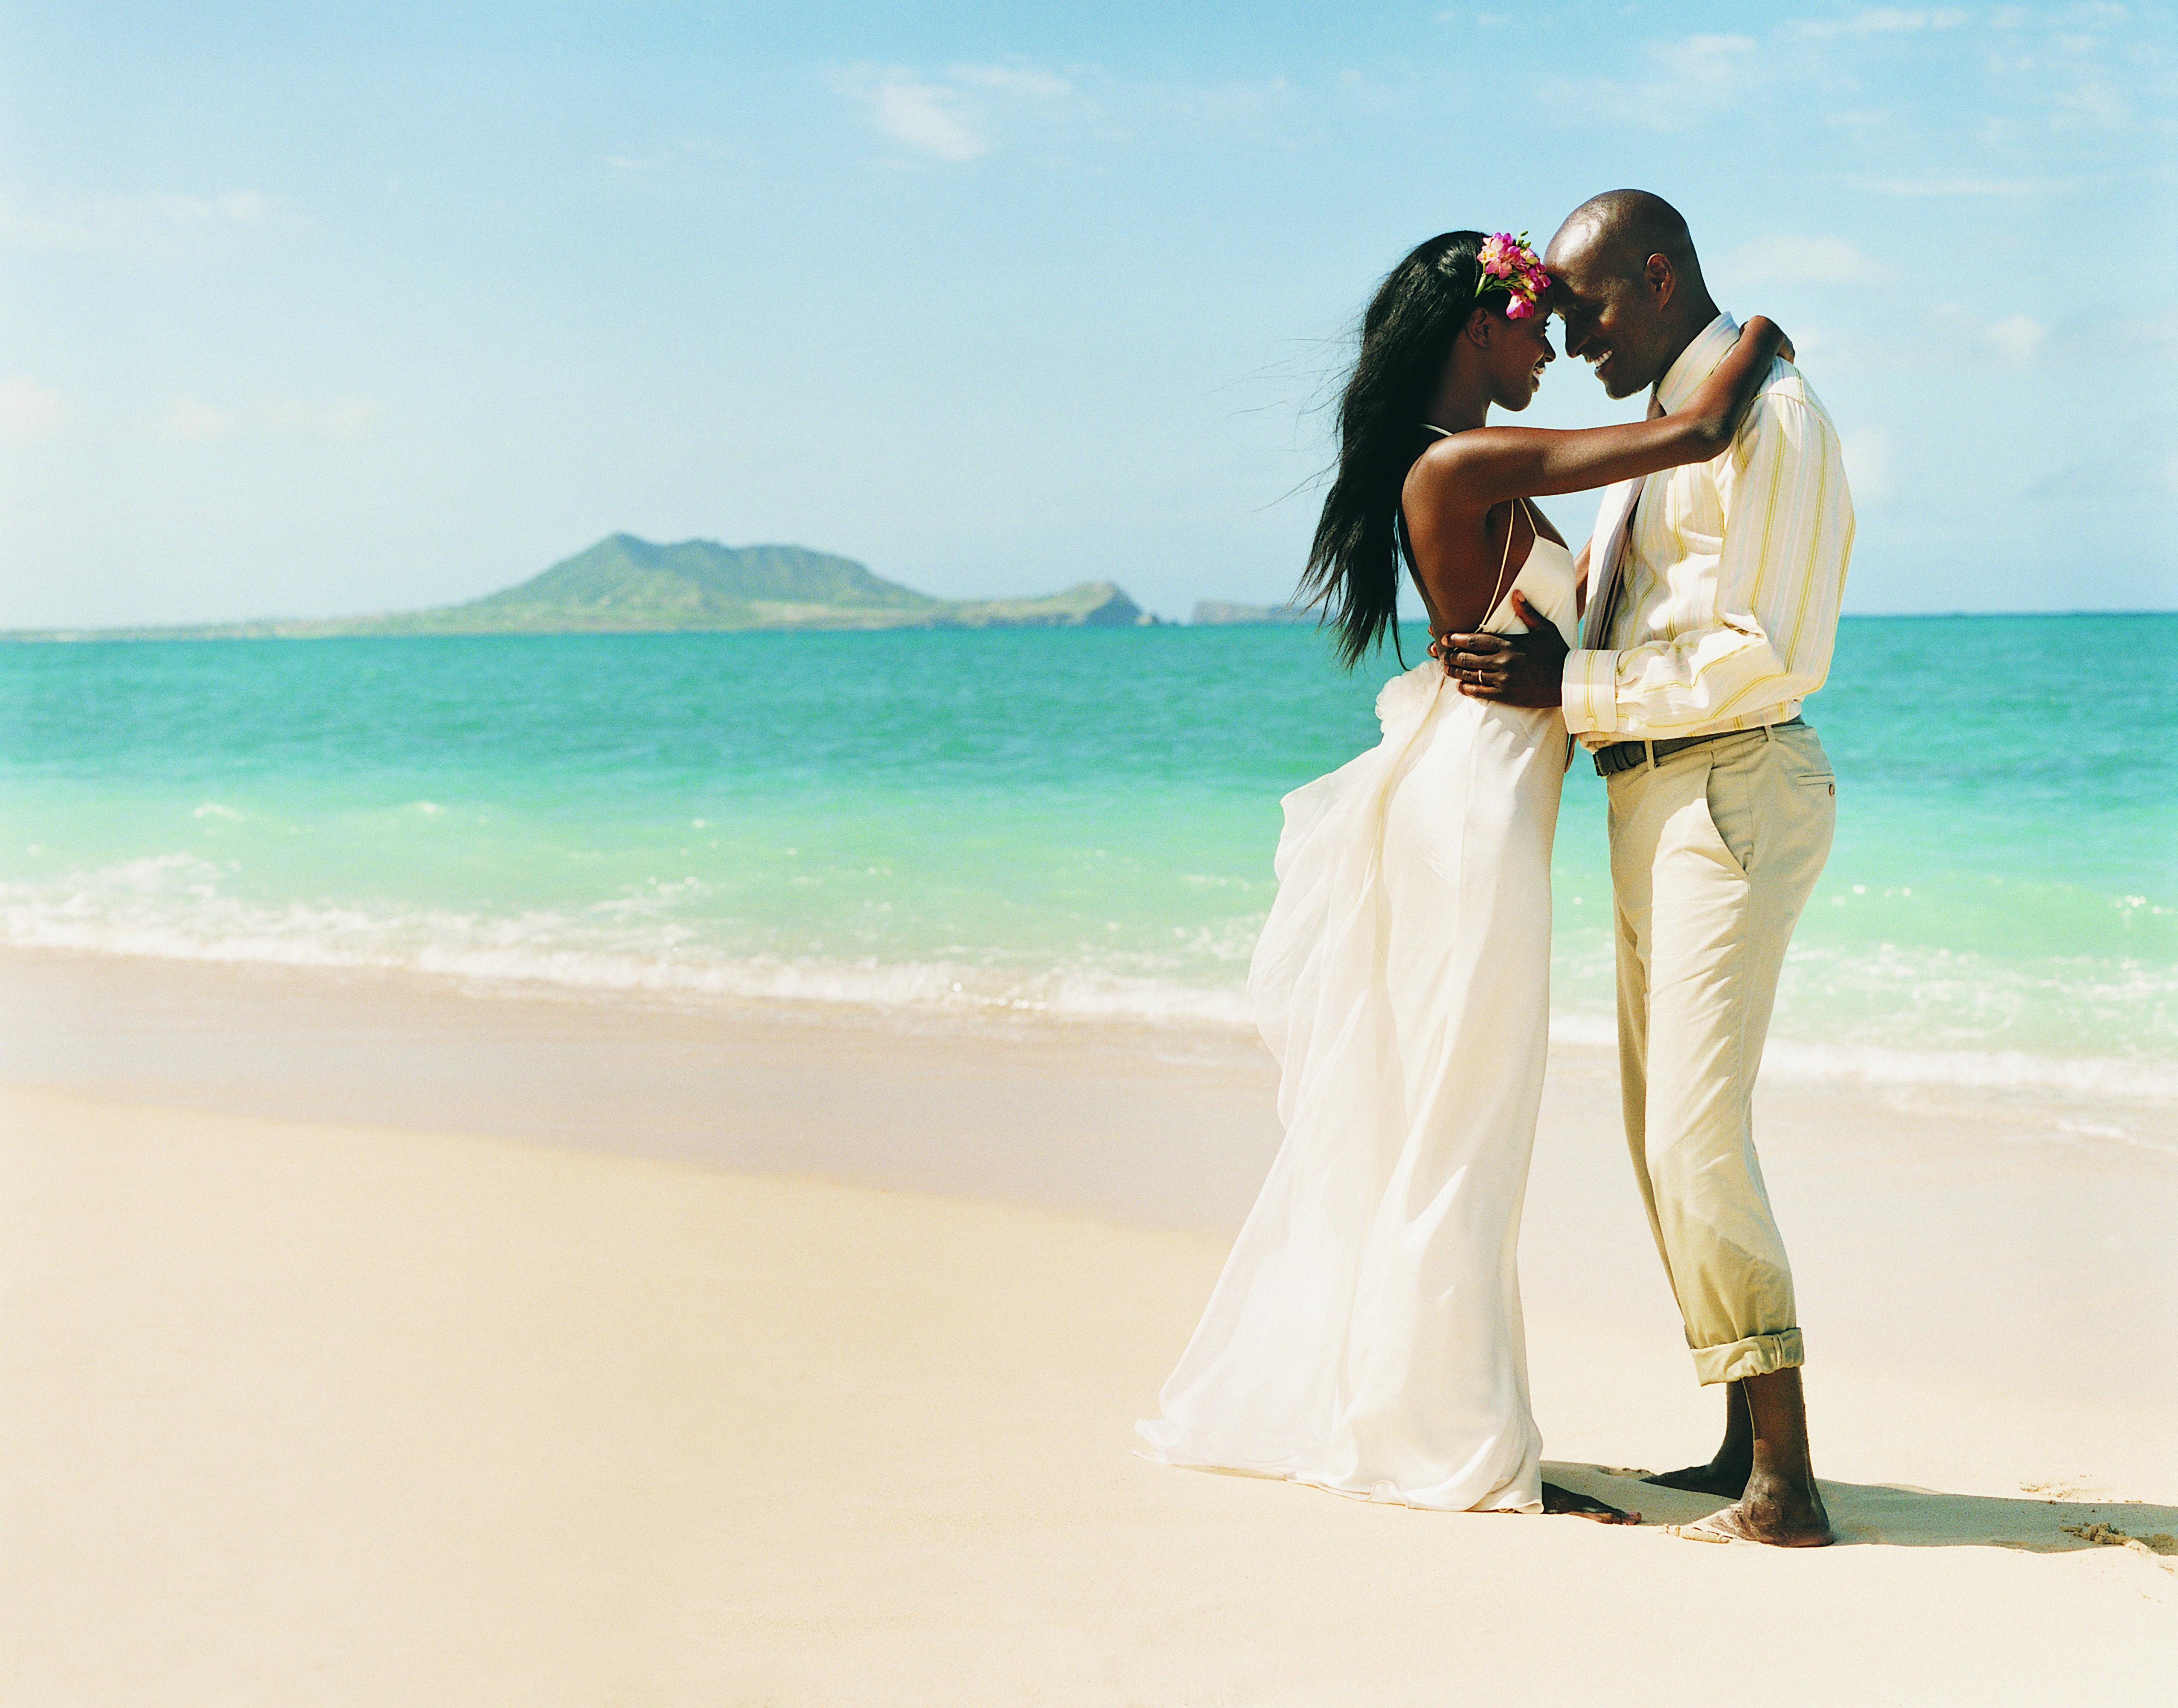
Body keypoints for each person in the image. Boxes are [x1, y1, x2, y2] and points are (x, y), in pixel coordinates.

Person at [1136, 227, 1789, 1522]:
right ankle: (1455, 1436)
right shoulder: (1470, 461)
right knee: (1463, 1123)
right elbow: (1698, 435)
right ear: (1473, 331)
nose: (1550, 345)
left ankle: (1443, 1413)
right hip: (1469, 823)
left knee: (1461, 1116)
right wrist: (1759, 338)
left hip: (1482, 808)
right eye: (1531, 322)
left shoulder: (1480, 471)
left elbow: (1588, 596)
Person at [1442, 191, 1854, 1547]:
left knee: (1690, 1131)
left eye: (1587, 306)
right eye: (1548, 315)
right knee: (1655, 1134)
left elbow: (1769, 650)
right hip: (1652, 793)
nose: (1567, 335)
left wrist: (1578, 684)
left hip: (1729, 781)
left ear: (1660, 277)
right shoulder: (1675, 417)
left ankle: (1786, 1485)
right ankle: (1743, 1438)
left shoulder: (1774, 417)